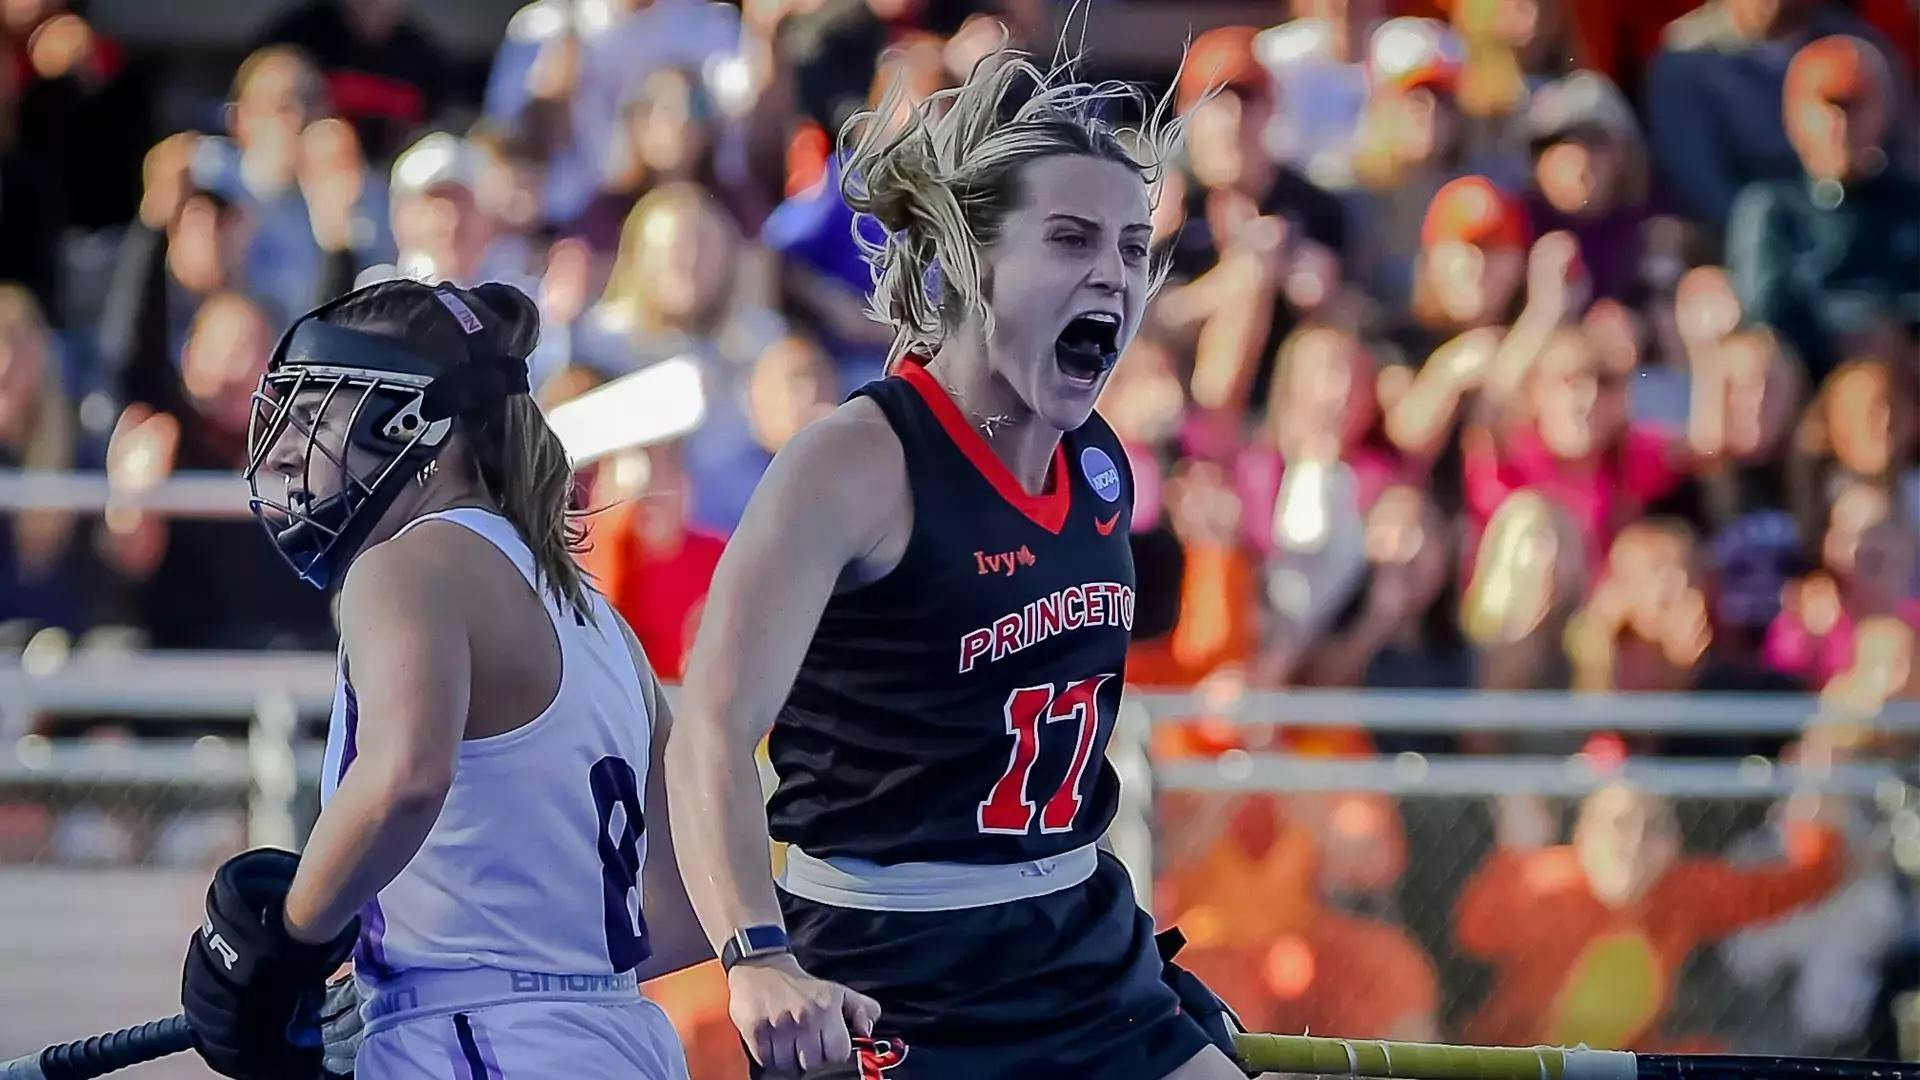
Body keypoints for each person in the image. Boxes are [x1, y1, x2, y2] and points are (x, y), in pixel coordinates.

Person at [666, 44, 1248, 1080]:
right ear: (974, 260)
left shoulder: (1100, 463)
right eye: (1069, 238)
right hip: (888, 974)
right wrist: (754, 957)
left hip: (1079, 947)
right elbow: (710, 726)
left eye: (1130, 245)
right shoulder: (857, 460)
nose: (1111, 270)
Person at [179, 280, 708, 1079]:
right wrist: (409, 972)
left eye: (315, 413)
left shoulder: (405, 565)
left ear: (410, 425)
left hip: (478, 1045)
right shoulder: (599, 618)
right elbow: (687, 905)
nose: (287, 450)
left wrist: (285, 947)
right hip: (619, 1039)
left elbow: (405, 779)